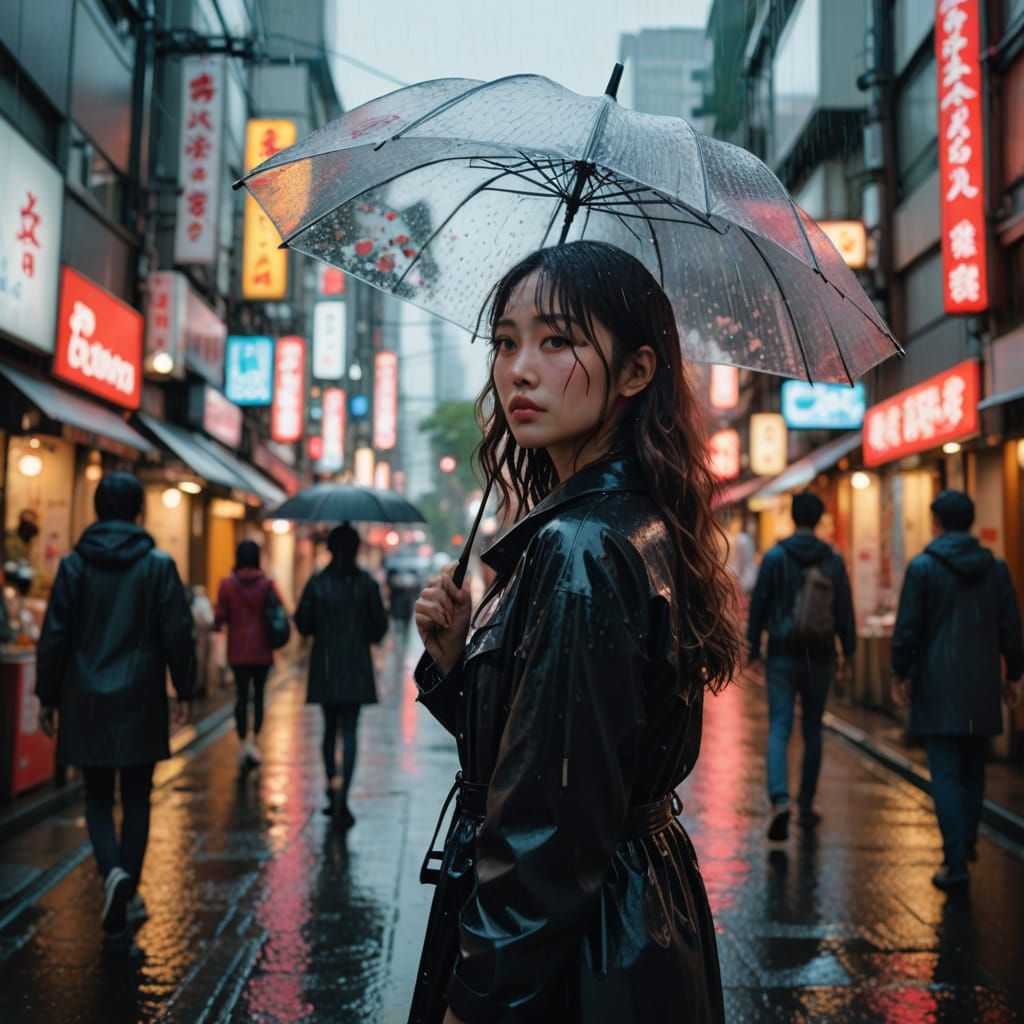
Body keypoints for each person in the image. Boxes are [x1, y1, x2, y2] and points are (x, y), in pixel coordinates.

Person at [410, 241, 741, 1024]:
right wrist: (460, 662)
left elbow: (548, 832)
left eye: (557, 341)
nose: (519, 369)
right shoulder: (620, 523)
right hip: (632, 919)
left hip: (582, 957)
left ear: (636, 371)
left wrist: (479, 1002)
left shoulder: (582, 545)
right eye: (506, 341)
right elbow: (556, 757)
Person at [35, 473, 195, 942]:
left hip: (84, 698)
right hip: (141, 697)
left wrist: (47, 696)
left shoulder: (73, 566)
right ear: (138, 513)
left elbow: (55, 636)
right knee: (138, 796)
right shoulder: (158, 565)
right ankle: (127, 883)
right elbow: (178, 634)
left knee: (98, 797)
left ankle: (113, 876)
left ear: (97, 510)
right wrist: (184, 690)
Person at [890, 490, 1024, 890]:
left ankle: (955, 859)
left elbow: (907, 630)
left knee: (946, 773)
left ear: (936, 522)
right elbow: (1010, 627)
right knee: (974, 767)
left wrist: (901, 673)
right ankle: (965, 841)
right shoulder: (995, 569)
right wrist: (1013, 674)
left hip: (937, 684)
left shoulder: (923, 568)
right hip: (981, 684)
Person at [747, 491, 856, 842]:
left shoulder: (777, 556)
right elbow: (844, 609)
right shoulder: (832, 560)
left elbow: (759, 603)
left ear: (794, 517)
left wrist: (753, 646)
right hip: (819, 654)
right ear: (819, 517)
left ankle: (780, 799)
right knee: (812, 729)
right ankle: (806, 804)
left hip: (781, 651)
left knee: (780, 726)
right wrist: (848, 651)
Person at [294, 524, 387, 828]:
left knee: (328, 729)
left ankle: (331, 783)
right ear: (357, 549)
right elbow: (379, 629)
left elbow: (303, 623)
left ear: (330, 549)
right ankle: (342, 795)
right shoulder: (366, 584)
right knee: (350, 732)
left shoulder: (318, 582)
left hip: (325, 665)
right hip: (356, 666)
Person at [214, 541, 281, 770]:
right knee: (259, 696)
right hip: (262, 650)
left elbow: (219, 617)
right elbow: (279, 612)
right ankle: (255, 742)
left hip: (238, 651)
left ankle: (243, 744)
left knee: (241, 696)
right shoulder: (267, 585)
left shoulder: (227, 585)